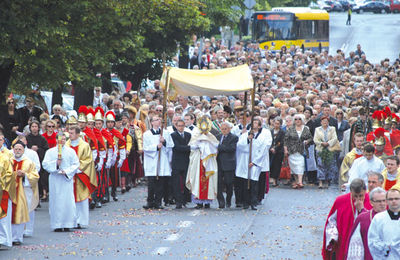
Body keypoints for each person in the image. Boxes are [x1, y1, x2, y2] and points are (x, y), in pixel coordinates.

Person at [322, 178, 372, 260]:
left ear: (365, 191)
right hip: (345, 240)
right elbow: (331, 221)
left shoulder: (372, 200)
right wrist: (333, 236)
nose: (358, 199)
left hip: (365, 241)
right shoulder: (341, 201)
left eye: (361, 195)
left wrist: (362, 209)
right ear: (351, 191)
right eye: (355, 196)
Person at [42, 132, 80, 232]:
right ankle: (57, 224)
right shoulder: (50, 152)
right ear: (56, 140)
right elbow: (45, 164)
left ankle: (68, 223)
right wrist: (56, 164)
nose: (61, 141)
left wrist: (66, 171)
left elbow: (76, 164)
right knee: (56, 201)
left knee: (68, 201)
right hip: (55, 179)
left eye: (63, 139)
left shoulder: (71, 151)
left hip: (66, 179)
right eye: (59, 139)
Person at [65, 126, 97, 228]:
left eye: (72, 133)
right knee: (70, 199)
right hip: (70, 176)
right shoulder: (66, 145)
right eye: (69, 133)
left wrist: (76, 169)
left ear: (78, 134)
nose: (69, 135)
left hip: (81, 176)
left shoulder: (84, 146)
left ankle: (81, 221)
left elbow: (88, 160)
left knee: (81, 200)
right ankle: (71, 220)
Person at [186, 115, 219, 209]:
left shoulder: (212, 135)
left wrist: (208, 142)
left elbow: (216, 146)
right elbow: (191, 146)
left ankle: (207, 201)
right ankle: (199, 201)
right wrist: (198, 143)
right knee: (197, 178)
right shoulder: (195, 135)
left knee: (209, 179)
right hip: (198, 160)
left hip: (209, 162)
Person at [235, 118, 268, 210]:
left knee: (253, 183)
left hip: (255, 162)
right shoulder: (245, 134)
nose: (254, 124)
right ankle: (245, 202)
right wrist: (247, 139)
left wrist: (254, 162)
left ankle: (253, 202)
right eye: (253, 122)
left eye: (256, 123)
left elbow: (263, 150)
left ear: (260, 126)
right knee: (245, 183)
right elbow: (239, 146)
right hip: (245, 160)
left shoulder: (262, 137)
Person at [10, 142, 39, 245]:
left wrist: (25, 175)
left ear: (23, 150)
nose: (17, 151)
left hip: (23, 190)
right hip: (10, 191)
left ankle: (17, 237)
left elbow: (35, 176)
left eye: (20, 149)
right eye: (16, 149)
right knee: (10, 213)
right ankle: (9, 237)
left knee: (20, 212)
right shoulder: (8, 161)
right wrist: (14, 174)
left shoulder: (28, 162)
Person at [347, 187, 387, 260]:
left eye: (384, 201)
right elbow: (356, 245)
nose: (382, 204)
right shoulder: (362, 218)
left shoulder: (394, 218)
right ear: (371, 202)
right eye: (379, 201)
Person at [142, 114, 172, 209]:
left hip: (162, 160)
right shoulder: (147, 134)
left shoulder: (165, 133)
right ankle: (150, 201)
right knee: (152, 183)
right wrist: (156, 147)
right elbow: (145, 148)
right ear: (151, 122)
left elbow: (171, 145)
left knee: (160, 183)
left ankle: (158, 201)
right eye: (156, 120)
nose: (158, 121)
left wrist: (164, 142)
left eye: (159, 119)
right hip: (152, 160)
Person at [368, 188, 400, 259]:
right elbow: (372, 241)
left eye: (396, 198)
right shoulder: (378, 218)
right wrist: (386, 247)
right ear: (387, 201)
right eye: (391, 199)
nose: (394, 201)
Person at [284, 114, 313, 189]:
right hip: (292, 150)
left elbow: (310, 138)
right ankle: (296, 181)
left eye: (299, 119)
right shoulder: (291, 128)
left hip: (301, 150)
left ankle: (300, 181)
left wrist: (307, 141)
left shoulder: (305, 128)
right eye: (296, 119)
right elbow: (286, 140)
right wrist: (286, 150)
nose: (297, 121)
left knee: (300, 165)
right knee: (293, 167)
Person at [314, 116, 341, 188]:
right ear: (321, 122)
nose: (324, 122)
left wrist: (328, 143)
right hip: (320, 149)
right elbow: (315, 139)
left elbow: (335, 138)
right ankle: (320, 181)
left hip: (329, 149)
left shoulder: (332, 129)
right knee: (320, 165)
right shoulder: (317, 129)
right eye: (323, 121)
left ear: (328, 122)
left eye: (326, 121)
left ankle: (327, 181)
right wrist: (321, 143)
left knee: (329, 165)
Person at [170, 119, 192, 209]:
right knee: (176, 182)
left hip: (186, 161)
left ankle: (185, 200)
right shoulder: (173, 135)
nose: (181, 127)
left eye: (182, 126)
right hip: (177, 161)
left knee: (185, 181)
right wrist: (189, 148)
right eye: (179, 126)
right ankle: (178, 201)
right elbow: (176, 147)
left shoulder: (188, 135)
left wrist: (188, 148)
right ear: (176, 126)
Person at [26, 120, 49, 202]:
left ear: (38, 128)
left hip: (40, 160)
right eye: (33, 126)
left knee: (40, 180)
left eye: (36, 126)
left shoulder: (42, 138)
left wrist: (38, 149)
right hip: (29, 162)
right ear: (30, 128)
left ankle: (39, 197)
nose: (34, 128)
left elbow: (46, 149)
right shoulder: (27, 138)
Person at [216, 122, 238, 209]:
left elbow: (231, 148)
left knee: (229, 183)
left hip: (229, 163)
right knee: (218, 184)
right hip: (218, 163)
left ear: (229, 129)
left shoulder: (234, 137)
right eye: (222, 129)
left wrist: (219, 147)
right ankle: (221, 202)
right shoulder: (218, 137)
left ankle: (228, 200)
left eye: (225, 129)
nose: (224, 131)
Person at [0, 149, 15, 248]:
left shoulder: (5, 158)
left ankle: (2, 239)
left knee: (2, 218)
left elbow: (9, 174)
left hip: (1, 190)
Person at [269, 117, 285, 187]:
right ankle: (270, 178)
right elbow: (269, 140)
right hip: (271, 151)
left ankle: (275, 180)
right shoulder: (270, 131)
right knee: (271, 165)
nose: (276, 125)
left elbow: (281, 142)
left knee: (277, 166)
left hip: (279, 151)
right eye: (275, 123)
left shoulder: (282, 132)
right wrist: (271, 147)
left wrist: (275, 148)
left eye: (278, 124)